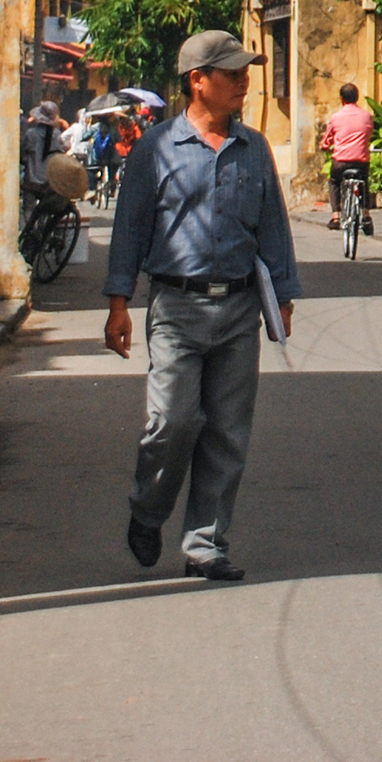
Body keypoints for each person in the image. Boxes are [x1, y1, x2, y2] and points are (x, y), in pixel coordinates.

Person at [104, 30, 299, 583]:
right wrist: (118, 303)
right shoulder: (156, 147)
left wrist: (282, 296)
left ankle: (205, 545)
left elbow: (273, 227)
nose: (243, 82)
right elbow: (130, 228)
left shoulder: (254, 147)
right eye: (231, 73)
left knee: (227, 432)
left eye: (245, 71)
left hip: (238, 309)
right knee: (171, 421)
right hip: (176, 307)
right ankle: (148, 509)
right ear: (198, 80)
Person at [320, 83, 374, 233]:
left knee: (334, 182)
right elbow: (368, 134)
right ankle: (366, 214)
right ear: (357, 98)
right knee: (364, 183)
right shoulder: (367, 116)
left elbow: (327, 140)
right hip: (361, 161)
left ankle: (336, 216)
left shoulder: (336, 117)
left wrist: (325, 146)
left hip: (341, 162)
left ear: (342, 99)